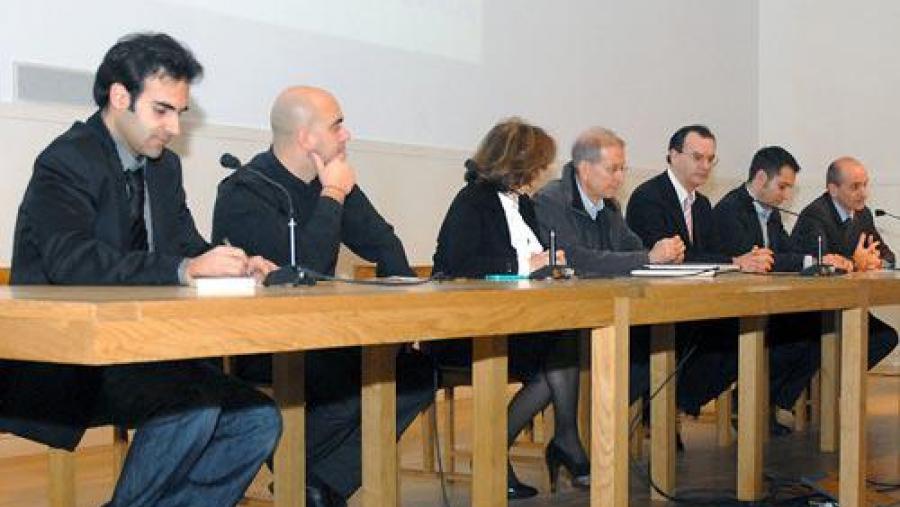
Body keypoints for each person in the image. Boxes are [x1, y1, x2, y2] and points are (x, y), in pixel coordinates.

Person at [3, 33, 281, 507]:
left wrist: (234, 261)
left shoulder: (163, 168)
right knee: (191, 408)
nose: (173, 127)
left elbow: (186, 247)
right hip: (68, 358)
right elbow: (72, 261)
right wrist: (184, 268)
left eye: (180, 113)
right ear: (119, 97)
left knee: (259, 418)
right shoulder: (66, 160)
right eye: (161, 110)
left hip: (143, 351)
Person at [212, 86, 435, 507]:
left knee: (416, 371)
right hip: (266, 341)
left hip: (324, 337)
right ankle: (298, 473)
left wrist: (406, 318)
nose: (347, 135)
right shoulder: (246, 190)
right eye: (337, 125)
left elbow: (383, 242)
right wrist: (332, 194)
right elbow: (301, 272)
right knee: (353, 384)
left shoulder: (331, 179)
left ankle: (319, 484)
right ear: (305, 137)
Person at [430, 118, 589, 499]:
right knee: (559, 356)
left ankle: (508, 448)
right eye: (537, 164)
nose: (541, 172)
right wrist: (525, 266)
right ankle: (558, 444)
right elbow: (456, 263)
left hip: (514, 324)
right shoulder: (473, 200)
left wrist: (551, 262)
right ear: (517, 163)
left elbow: (531, 258)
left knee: (564, 348)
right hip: (469, 329)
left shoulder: (524, 205)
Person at [625, 125, 773, 427]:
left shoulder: (702, 205)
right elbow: (671, 258)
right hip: (653, 307)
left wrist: (745, 260)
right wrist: (736, 261)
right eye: (697, 157)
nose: (705, 166)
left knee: (748, 333)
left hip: (693, 305)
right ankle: (663, 408)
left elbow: (712, 253)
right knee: (719, 337)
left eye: (710, 159)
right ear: (673, 154)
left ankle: (675, 404)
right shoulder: (649, 197)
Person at [533, 126, 684, 404]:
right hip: (563, 317)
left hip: (606, 310)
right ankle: (597, 430)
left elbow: (633, 248)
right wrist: (649, 258)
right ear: (585, 169)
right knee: (640, 352)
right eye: (612, 169)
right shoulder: (550, 201)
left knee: (663, 346)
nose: (620, 177)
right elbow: (575, 259)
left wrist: (666, 253)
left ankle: (608, 427)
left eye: (623, 169)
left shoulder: (609, 206)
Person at [713, 146, 845, 433]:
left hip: (764, 302)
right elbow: (761, 259)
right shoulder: (731, 208)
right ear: (761, 178)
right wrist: (812, 260)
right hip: (730, 307)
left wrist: (821, 260)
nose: (786, 195)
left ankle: (770, 402)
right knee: (796, 337)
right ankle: (750, 403)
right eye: (782, 186)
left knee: (817, 332)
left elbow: (784, 252)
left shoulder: (770, 212)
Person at [790, 156, 898, 368]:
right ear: (833, 189)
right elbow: (821, 266)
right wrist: (857, 263)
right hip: (813, 309)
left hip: (847, 304)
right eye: (855, 187)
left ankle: (837, 387)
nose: (863, 193)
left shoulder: (863, 214)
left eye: (865, 185)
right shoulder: (815, 215)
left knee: (886, 338)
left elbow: (888, 256)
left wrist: (876, 262)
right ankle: (818, 390)